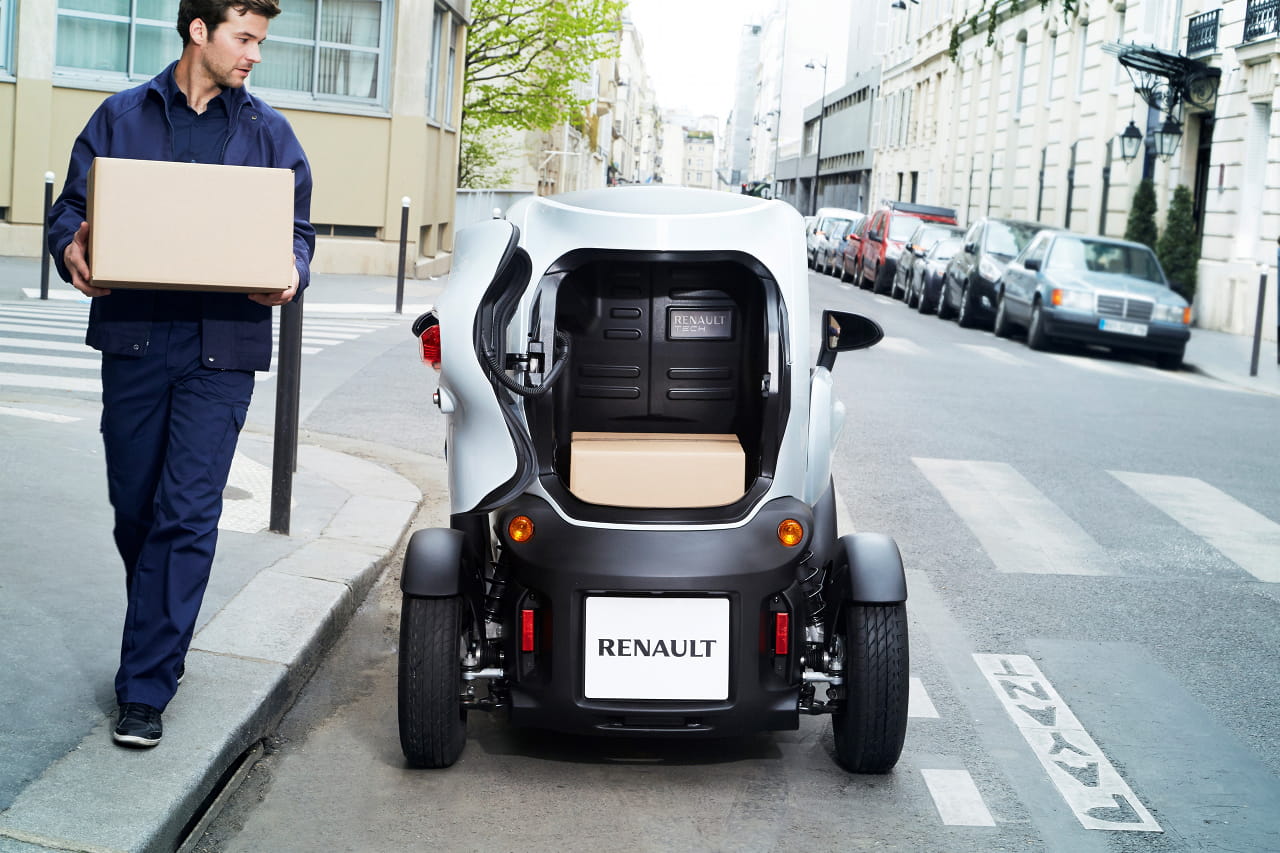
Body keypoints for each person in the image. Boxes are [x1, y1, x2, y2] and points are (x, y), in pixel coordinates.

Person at [46, 0, 315, 749]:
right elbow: (70, 210)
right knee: (135, 508)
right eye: (244, 37)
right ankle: (162, 632)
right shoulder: (120, 117)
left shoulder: (270, 133)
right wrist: (71, 249)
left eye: (260, 40)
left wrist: (291, 271)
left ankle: (146, 685)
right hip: (134, 338)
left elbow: (297, 232)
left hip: (221, 348)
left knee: (188, 512)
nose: (255, 53)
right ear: (200, 31)